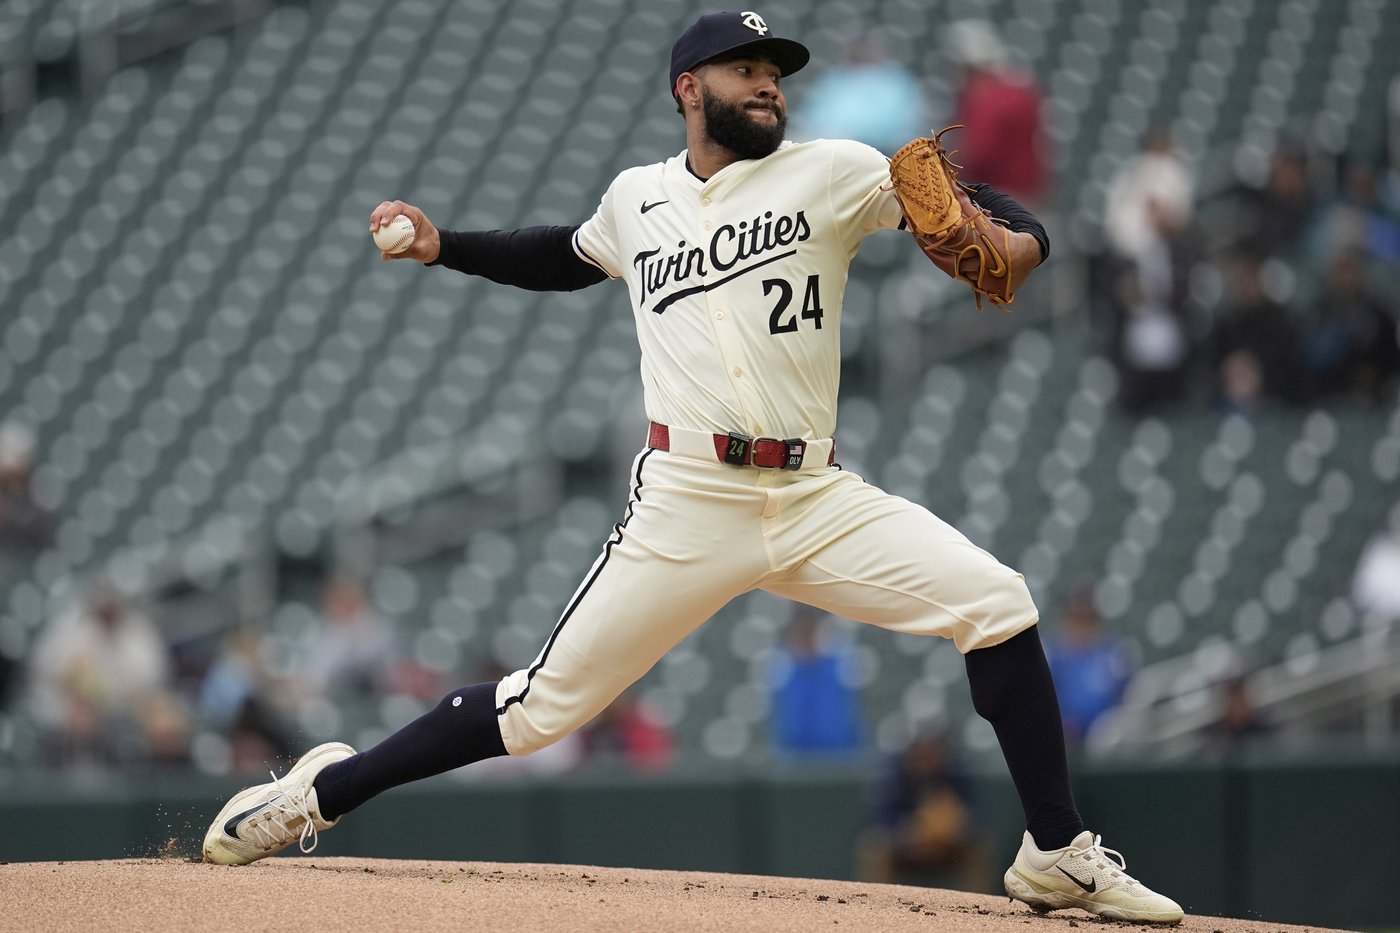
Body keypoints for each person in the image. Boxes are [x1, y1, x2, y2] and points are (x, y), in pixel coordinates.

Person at [202, 11, 1181, 924]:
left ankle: (1054, 849)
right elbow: (562, 255)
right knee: (537, 712)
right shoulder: (637, 199)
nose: (767, 85)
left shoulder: (830, 172)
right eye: (744, 70)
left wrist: (1030, 237)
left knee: (996, 601)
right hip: (689, 499)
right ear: (687, 88)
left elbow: (972, 208)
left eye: (774, 73)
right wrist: (443, 245)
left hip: (813, 495)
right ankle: (318, 793)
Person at [857, 726, 987, 891]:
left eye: (934, 751)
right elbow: (882, 818)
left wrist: (955, 829)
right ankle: (875, 903)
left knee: (979, 847)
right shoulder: (895, 776)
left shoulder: (955, 774)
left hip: (949, 845)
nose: (928, 756)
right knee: (874, 847)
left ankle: (978, 905)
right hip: (907, 847)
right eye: (922, 751)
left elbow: (976, 812)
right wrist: (908, 835)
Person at [944, 20, 1049, 209]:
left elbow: (979, 152)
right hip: (1023, 195)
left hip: (995, 198)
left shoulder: (989, 98)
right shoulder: (1021, 90)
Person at [1045, 584, 1133, 748]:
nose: (1081, 627)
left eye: (1087, 619)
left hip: (1109, 739)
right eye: (1077, 619)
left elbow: (1128, 697)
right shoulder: (1055, 655)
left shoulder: (1112, 653)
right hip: (1066, 739)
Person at [768, 604, 862, 757]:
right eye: (801, 631)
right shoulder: (783, 670)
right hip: (795, 760)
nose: (806, 635)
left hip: (838, 759)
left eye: (810, 630)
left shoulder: (838, 667)